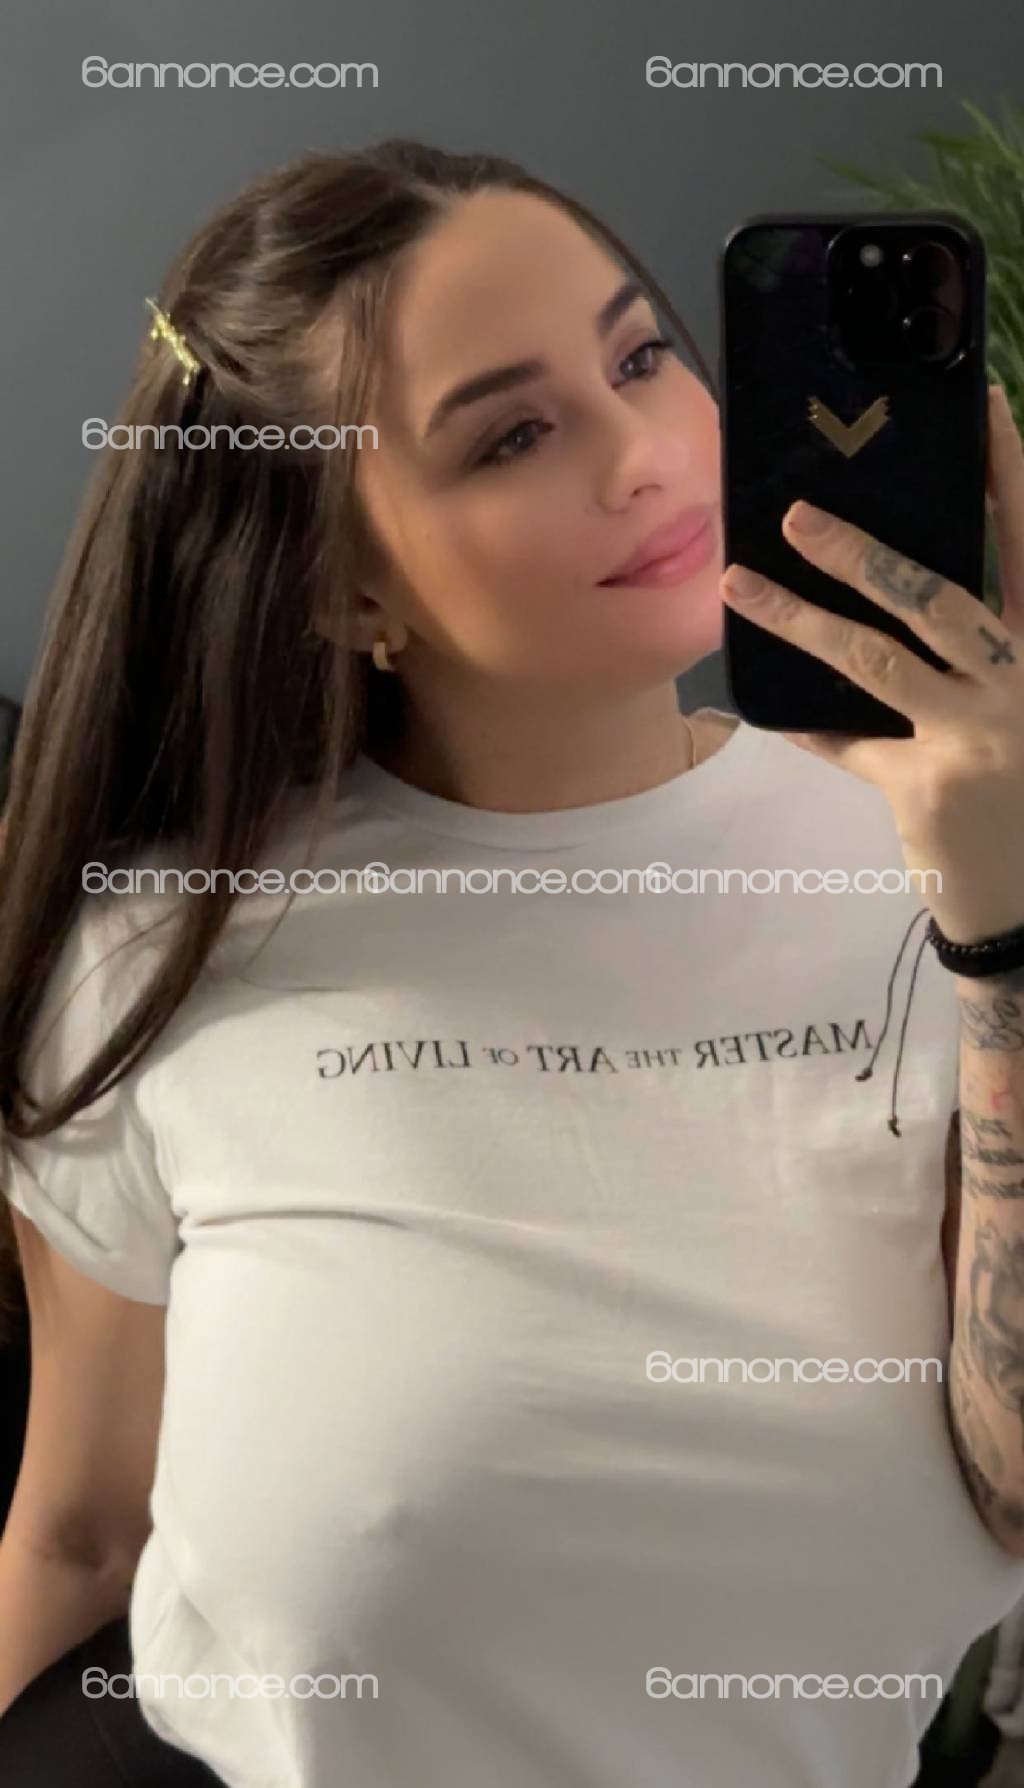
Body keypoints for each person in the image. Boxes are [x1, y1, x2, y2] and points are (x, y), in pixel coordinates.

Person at [1, 137, 1024, 1788]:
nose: (645, 457)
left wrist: (1004, 922)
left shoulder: (943, 869)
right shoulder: (164, 953)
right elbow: (77, 1534)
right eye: (514, 435)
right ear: (341, 591)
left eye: (641, 358)